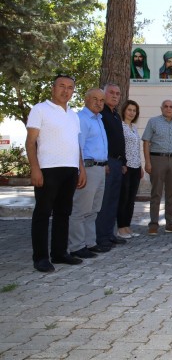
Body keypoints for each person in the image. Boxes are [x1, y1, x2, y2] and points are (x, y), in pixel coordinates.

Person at [26, 74, 86, 272]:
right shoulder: (40, 109)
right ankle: (40, 257)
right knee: (43, 213)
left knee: (63, 213)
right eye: (62, 86)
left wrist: (81, 168)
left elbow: (75, 144)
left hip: (70, 170)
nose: (66, 90)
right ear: (53, 88)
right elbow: (30, 142)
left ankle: (59, 253)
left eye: (70, 87)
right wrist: (35, 168)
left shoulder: (73, 115)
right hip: (48, 169)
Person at [68, 89, 108, 258]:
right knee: (80, 209)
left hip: (99, 169)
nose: (99, 102)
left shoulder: (99, 119)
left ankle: (89, 243)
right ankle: (76, 246)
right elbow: (78, 147)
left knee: (93, 209)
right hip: (87, 169)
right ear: (86, 99)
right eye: (95, 99)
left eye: (101, 100)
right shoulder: (82, 119)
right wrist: (80, 170)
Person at [142, 100, 172, 235]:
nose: (168, 109)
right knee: (156, 192)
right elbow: (146, 141)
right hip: (157, 159)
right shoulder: (153, 121)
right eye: (166, 106)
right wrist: (147, 162)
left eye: (171, 107)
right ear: (161, 108)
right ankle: (153, 224)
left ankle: (170, 223)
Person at [95, 83, 127, 251]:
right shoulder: (101, 114)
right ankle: (100, 237)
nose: (115, 96)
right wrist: (106, 162)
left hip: (118, 162)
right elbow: (102, 140)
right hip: (106, 161)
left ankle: (109, 234)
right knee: (104, 201)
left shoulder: (116, 115)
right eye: (111, 93)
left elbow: (119, 140)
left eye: (117, 93)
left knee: (114, 200)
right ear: (104, 95)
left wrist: (124, 161)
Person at [117, 99, 143, 239]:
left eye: (134, 110)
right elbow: (119, 147)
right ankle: (120, 228)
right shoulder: (120, 126)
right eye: (129, 110)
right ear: (124, 111)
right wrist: (122, 163)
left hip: (136, 166)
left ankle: (127, 226)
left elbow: (136, 149)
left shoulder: (134, 127)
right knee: (124, 198)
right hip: (125, 167)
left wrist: (141, 166)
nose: (132, 113)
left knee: (131, 198)